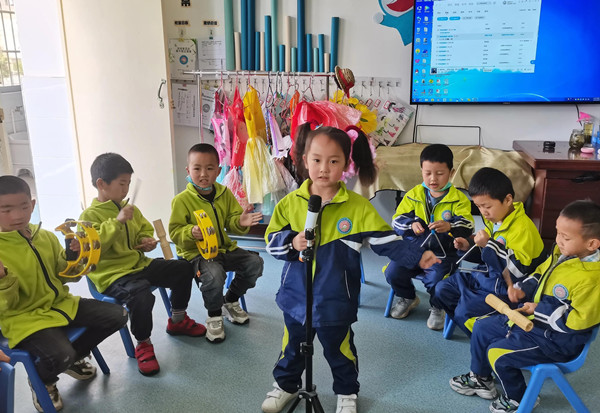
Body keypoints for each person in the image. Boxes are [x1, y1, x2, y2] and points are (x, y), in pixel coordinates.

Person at [261, 124, 440, 413]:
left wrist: (417, 256)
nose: (324, 168)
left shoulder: (357, 207)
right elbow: (271, 241)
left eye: (333, 161)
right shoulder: (290, 203)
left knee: (339, 350)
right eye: (317, 160)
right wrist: (291, 242)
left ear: (346, 165)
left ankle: (346, 393)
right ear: (305, 160)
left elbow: (386, 240)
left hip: (336, 299)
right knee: (292, 348)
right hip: (296, 296)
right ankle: (286, 386)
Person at [449, 200, 600, 412]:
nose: (558, 240)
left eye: (566, 237)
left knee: (497, 353)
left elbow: (577, 322)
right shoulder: (563, 254)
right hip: (533, 322)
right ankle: (482, 379)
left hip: (557, 341)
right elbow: (540, 274)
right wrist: (522, 288)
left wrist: (538, 309)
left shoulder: (593, 279)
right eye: (558, 233)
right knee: (482, 328)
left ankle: (518, 398)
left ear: (592, 244)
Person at [0, 175, 128, 412]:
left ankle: (71, 359)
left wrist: (73, 258)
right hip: (24, 319)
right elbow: (6, 307)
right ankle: (43, 380)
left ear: (33, 204)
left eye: (24, 207)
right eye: (6, 210)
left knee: (118, 315)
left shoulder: (46, 236)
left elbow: (67, 276)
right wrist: (3, 280)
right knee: (60, 354)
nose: (17, 215)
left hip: (61, 304)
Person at [80, 153, 206, 377]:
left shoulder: (131, 210)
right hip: (113, 276)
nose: (126, 189)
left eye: (128, 183)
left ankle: (177, 319)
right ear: (101, 184)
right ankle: (143, 343)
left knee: (183, 268)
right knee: (141, 295)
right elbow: (95, 247)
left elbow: (143, 231)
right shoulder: (88, 216)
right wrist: (117, 221)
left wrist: (146, 241)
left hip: (139, 265)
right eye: (121, 183)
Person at [432, 167, 546, 336]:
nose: (483, 213)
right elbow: (488, 255)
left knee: (464, 311)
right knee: (442, 289)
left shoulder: (524, 229)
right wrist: (468, 246)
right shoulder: (496, 218)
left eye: (487, 206)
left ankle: (485, 333)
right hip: (486, 278)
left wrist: (489, 244)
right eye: (478, 206)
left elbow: (518, 271)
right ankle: (476, 324)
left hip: (506, 290)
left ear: (508, 200)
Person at [169, 143, 264, 343]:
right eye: (197, 168)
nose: (203, 174)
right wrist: (190, 232)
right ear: (188, 170)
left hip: (224, 249)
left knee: (255, 263)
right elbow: (175, 232)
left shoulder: (224, 193)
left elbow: (232, 220)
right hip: (197, 254)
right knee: (214, 275)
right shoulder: (181, 200)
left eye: (209, 168)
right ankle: (214, 315)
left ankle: (230, 300)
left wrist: (240, 221)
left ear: (218, 171)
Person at [384, 143, 474, 330]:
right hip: (413, 250)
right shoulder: (413, 195)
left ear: (451, 172)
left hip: (443, 255)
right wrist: (411, 224)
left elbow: (468, 224)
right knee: (393, 272)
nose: (433, 179)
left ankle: (437, 306)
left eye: (440, 173)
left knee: (436, 279)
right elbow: (396, 220)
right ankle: (408, 297)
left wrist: (450, 225)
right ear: (421, 171)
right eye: (428, 173)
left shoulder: (459, 199)